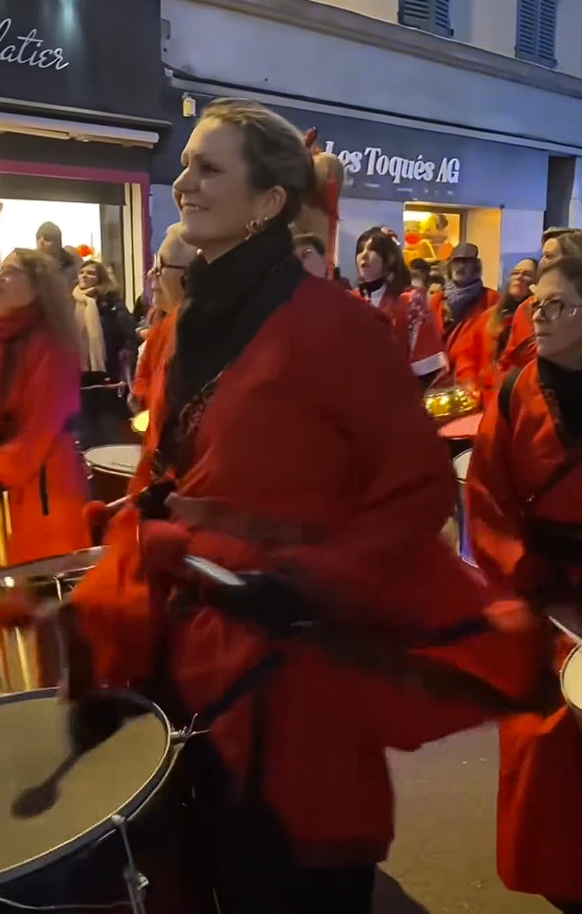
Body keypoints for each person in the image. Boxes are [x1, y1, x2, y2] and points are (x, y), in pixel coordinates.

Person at [64, 99, 538, 914]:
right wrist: (117, 585)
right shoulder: (178, 328)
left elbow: (418, 487)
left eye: (208, 168)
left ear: (269, 201)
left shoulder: (335, 326)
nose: (183, 182)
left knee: (292, 883)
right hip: (187, 657)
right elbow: (163, 477)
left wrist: (312, 582)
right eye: (186, 165)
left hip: (298, 675)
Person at [467, 255, 582, 914]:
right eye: (536, 304)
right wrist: (529, 588)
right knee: (545, 755)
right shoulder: (514, 393)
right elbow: (487, 504)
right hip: (545, 605)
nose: (539, 316)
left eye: (557, 305)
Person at [0, 248, 89, 582]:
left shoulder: (54, 343)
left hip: (43, 478)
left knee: (41, 580)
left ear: (38, 284)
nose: (0, 278)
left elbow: (44, 424)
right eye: (0, 270)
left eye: (11, 271)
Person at [355, 227, 445, 388]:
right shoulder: (350, 299)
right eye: (360, 250)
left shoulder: (410, 301)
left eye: (372, 250)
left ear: (389, 258)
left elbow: (427, 366)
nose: (364, 255)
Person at [453, 258, 538, 404]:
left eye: (526, 274)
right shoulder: (490, 316)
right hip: (484, 399)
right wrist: (469, 382)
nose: (519, 277)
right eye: (515, 273)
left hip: (520, 399)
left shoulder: (538, 319)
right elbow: (467, 355)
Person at [131, 224, 196, 414]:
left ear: (189, 273)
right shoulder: (164, 329)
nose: (150, 274)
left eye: (160, 266)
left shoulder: (204, 335)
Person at [74, 259, 138, 449]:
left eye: (91, 273)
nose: (85, 276)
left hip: (106, 374)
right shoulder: (71, 301)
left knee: (108, 429)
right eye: (82, 272)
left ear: (100, 278)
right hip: (80, 376)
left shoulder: (110, 302)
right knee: (85, 430)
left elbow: (127, 331)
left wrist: (126, 353)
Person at [500, 228, 582, 373]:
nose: (542, 263)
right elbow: (508, 359)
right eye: (542, 256)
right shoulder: (526, 307)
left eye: (549, 256)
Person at [430, 242, 499, 383]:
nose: (460, 267)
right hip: (438, 377)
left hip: (472, 377)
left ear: (475, 267)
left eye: (466, 262)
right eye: (456, 262)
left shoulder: (491, 299)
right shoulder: (437, 300)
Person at [36, 222, 81, 290]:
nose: (41, 242)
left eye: (47, 238)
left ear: (58, 242)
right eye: (38, 238)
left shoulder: (71, 263)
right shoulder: (33, 264)